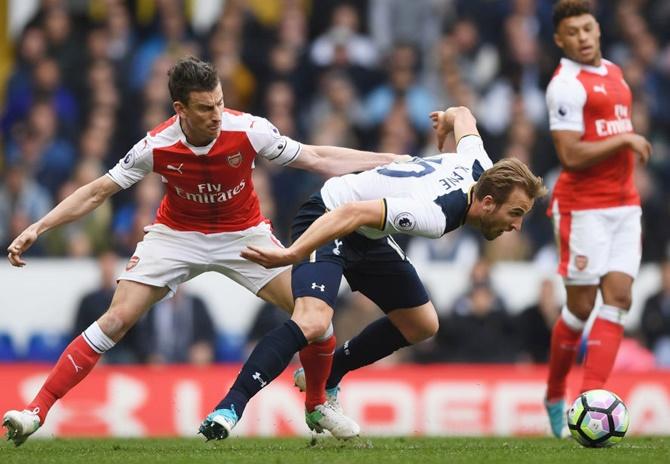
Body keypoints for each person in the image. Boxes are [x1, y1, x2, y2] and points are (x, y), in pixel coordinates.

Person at [2, 56, 406, 447]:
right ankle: (35, 412)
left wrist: (388, 161)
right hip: (176, 235)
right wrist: (39, 226)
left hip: (243, 233)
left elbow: (317, 157)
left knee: (316, 317)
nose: (216, 114)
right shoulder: (156, 146)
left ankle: (317, 404)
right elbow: (96, 192)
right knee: (115, 319)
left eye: (220, 102)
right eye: (205, 108)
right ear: (180, 108)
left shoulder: (249, 130)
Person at [198, 106, 546, 440]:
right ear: (487, 203)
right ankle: (230, 408)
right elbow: (350, 213)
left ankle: (328, 375)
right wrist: (294, 252)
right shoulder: (434, 214)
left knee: (422, 323)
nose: (516, 226)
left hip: (366, 231)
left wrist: (445, 121)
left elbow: (464, 115)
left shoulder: (480, 162)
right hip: (328, 216)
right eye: (515, 213)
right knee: (314, 321)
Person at [543, 1, 652, 438]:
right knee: (580, 307)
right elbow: (569, 154)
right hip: (583, 207)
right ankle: (554, 392)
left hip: (625, 204)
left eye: (588, 28)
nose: (583, 37)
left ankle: (592, 399)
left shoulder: (614, 71)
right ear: (560, 40)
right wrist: (624, 139)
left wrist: (623, 138)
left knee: (621, 298)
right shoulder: (563, 86)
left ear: (598, 29)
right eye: (574, 32)